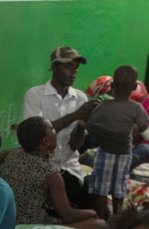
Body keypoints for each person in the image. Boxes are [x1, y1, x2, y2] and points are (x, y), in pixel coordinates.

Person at [0, 117, 106, 229]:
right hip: (33, 227)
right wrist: (92, 212)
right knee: (99, 224)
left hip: (5, 221)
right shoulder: (51, 175)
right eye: (53, 129)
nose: (55, 131)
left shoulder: (10, 154)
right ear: (46, 141)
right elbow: (67, 216)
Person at [23, 46, 97, 208]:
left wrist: (82, 123)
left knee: (94, 200)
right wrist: (75, 115)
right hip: (43, 170)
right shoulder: (35, 95)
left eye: (76, 68)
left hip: (70, 169)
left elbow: (75, 145)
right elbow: (34, 136)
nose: (74, 72)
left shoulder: (80, 98)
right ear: (54, 67)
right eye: (68, 67)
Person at [85, 65, 149, 219]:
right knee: (119, 186)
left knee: (101, 186)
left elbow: (90, 126)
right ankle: (118, 216)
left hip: (104, 151)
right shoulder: (136, 108)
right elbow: (146, 131)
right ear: (136, 87)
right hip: (124, 154)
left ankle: (102, 216)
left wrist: (106, 136)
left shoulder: (103, 106)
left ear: (112, 86)